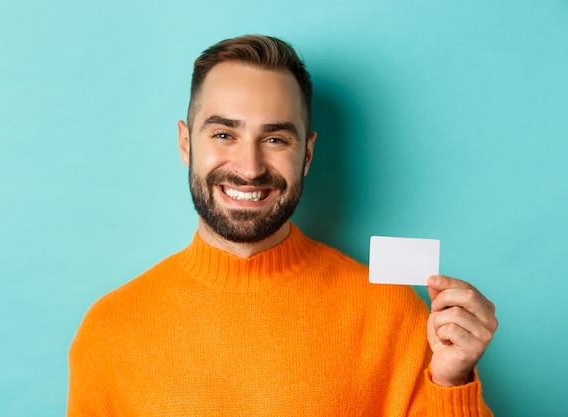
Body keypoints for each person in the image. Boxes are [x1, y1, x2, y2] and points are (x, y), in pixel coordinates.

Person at [67, 35, 498, 416]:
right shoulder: (109, 331)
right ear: (185, 143)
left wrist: (450, 384)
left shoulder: (393, 315)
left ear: (307, 155)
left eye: (275, 139)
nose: (250, 168)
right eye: (223, 134)